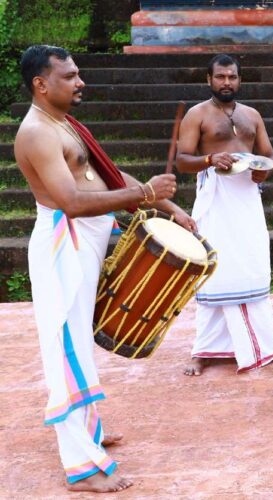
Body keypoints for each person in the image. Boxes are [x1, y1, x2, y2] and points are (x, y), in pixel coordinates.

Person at [14, 45, 194, 493]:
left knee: (80, 342)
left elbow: (111, 175)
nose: (80, 82)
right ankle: (79, 468)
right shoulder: (37, 132)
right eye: (70, 76)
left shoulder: (66, 123)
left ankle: (87, 432)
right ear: (41, 83)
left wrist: (169, 205)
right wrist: (146, 196)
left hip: (89, 240)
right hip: (64, 244)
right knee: (65, 349)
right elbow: (72, 202)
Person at [176, 54, 273, 376]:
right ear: (208, 80)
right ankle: (204, 349)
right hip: (215, 198)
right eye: (221, 77)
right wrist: (210, 158)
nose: (227, 82)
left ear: (240, 79)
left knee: (252, 264)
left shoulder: (252, 115)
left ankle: (265, 345)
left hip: (247, 198)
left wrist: (265, 172)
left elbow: (269, 155)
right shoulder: (197, 115)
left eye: (232, 77)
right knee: (215, 269)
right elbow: (183, 161)